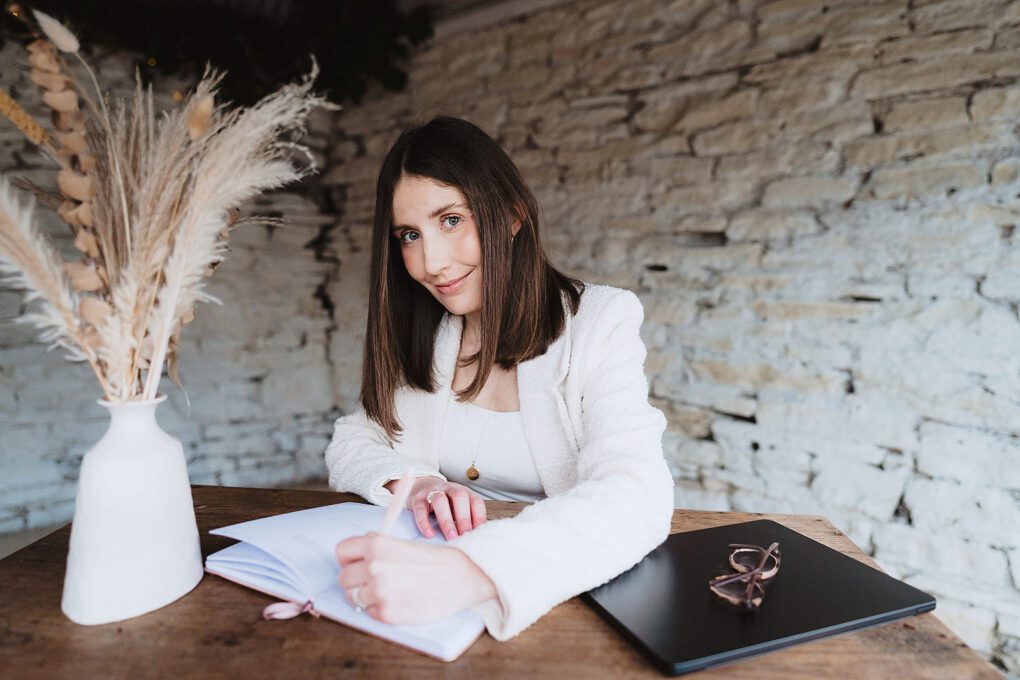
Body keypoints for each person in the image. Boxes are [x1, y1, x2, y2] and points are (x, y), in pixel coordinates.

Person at [325, 116, 673, 641]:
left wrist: (472, 571)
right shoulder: (425, 331)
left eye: (450, 220)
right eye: (410, 235)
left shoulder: (601, 321)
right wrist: (415, 481)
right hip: (425, 598)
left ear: (511, 215)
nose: (430, 262)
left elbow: (636, 492)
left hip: (552, 595)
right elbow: (355, 438)